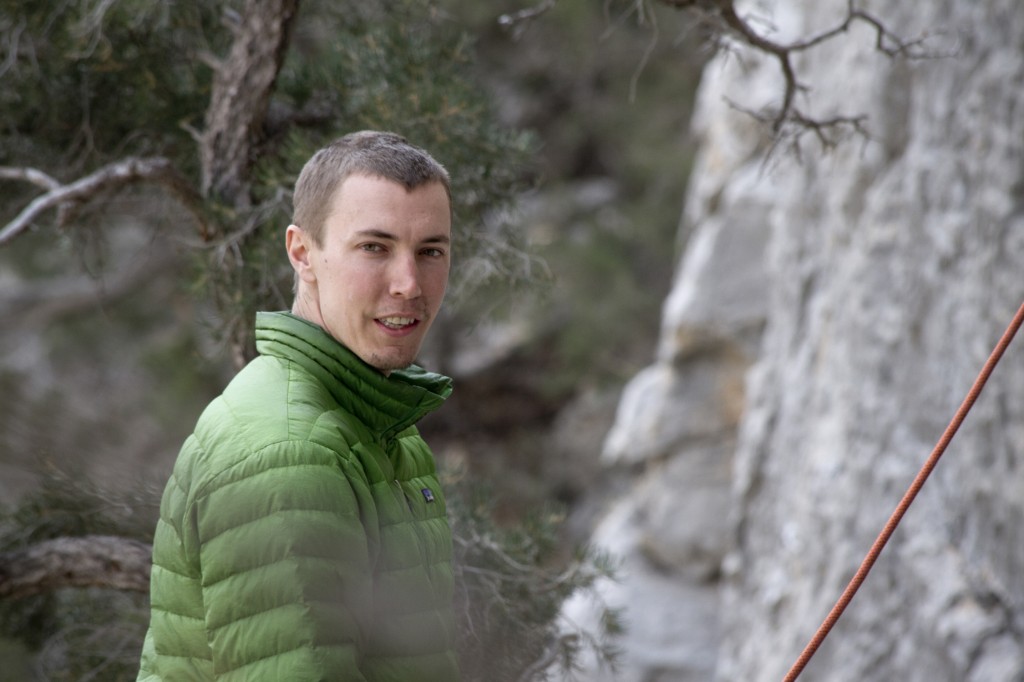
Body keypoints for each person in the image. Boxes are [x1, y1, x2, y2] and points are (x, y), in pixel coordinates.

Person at [137, 131, 460, 681]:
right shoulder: (290, 451)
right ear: (302, 253)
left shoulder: (378, 421)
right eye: (374, 248)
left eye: (430, 251)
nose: (409, 283)